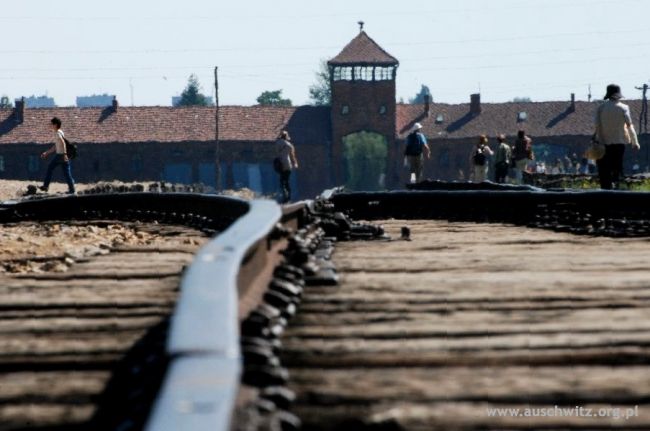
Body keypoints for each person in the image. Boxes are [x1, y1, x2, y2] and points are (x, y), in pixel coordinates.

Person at [594, 84, 641, 189]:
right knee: (617, 167)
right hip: (619, 142)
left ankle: (606, 190)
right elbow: (629, 126)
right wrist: (635, 141)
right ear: (618, 95)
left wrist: (600, 139)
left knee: (604, 169)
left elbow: (597, 126)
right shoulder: (624, 108)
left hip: (603, 142)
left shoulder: (601, 108)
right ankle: (617, 189)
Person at [39, 117, 76, 194]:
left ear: (55, 125)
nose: (50, 125)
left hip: (60, 155)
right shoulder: (60, 132)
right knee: (66, 173)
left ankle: (46, 186)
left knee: (50, 168)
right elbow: (56, 146)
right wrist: (47, 153)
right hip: (62, 156)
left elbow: (63, 143)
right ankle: (72, 189)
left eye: (51, 124)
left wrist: (65, 154)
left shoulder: (58, 133)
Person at [275, 130, 298, 203]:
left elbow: (277, 153)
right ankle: (288, 196)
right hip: (288, 164)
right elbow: (293, 156)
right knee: (287, 181)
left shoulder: (277, 143)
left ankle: (283, 195)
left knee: (282, 181)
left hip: (280, 164)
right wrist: (295, 163)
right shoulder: (289, 145)